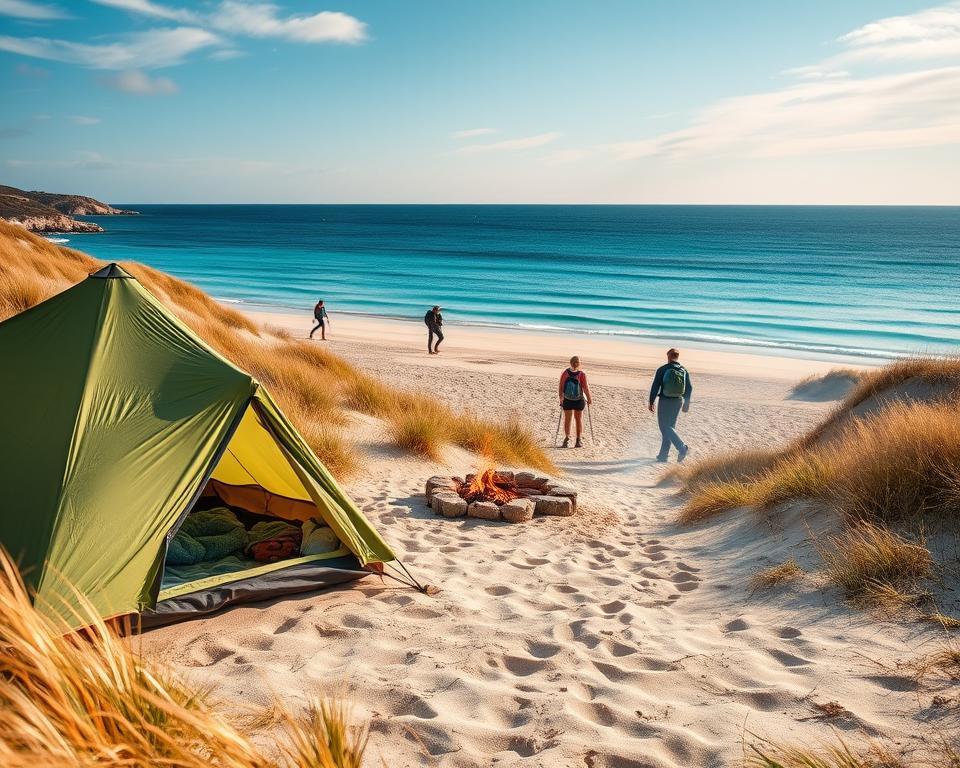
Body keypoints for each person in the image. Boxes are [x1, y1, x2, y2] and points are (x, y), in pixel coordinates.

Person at [649, 348, 692, 462]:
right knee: (670, 427)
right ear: (677, 357)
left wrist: (651, 401)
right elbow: (689, 387)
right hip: (678, 401)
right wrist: (686, 403)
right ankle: (663, 456)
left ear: (668, 356)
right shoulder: (683, 370)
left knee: (664, 427)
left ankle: (682, 447)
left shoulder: (663, 369)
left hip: (665, 401)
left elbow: (655, 385)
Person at [558, 356, 592, 448]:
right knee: (578, 420)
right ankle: (578, 440)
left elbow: (561, 387)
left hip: (567, 400)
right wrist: (589, 399)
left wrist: (561, 398)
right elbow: (585, 388)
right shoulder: (582, 374)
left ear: (570, 363)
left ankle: (566, 440)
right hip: (579, 400)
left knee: (567, 420)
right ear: (579, 364)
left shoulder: (565, 373)